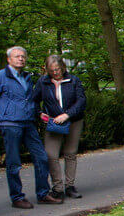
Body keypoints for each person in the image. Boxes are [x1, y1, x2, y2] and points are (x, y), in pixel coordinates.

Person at [0, 46, 60, 208]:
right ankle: (17, 197)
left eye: (23, 56)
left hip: (28, 123)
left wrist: (37, 113)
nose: (21, 59)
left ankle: (43, 193)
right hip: (9, 124)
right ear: (9, 59)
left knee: (41, 157)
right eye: (17, 56)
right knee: (14, 162)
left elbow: (30, 100)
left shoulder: (26, 77)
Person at [32, 55, 87, 199]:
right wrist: (40, 114)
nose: (55, 73)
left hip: (73, 120)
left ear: (63, 67)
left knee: (70, 153)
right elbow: (34, 101)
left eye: (57, 69)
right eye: (52, 71)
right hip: (54, 123)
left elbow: (81, 101)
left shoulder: (73, 80)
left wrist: (67, 115)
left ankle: (70, 186)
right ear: (47, 70)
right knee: (51, 154)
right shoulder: (43, 82)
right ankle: (57, 187)